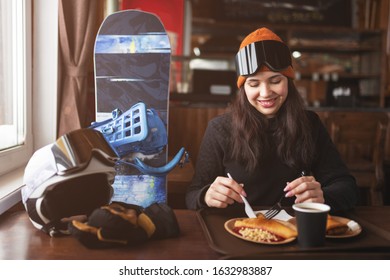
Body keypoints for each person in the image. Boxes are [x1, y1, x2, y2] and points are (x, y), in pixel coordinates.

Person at [185, 27, 359, 213]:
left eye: (275, 81)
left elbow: (346, 187)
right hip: (236, 230)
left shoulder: (310, 124)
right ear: (243, 89)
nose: (266, 93)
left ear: (289, 82)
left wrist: (324, 196)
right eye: (254, 83)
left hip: (294, 232)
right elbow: (192, 195)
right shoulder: (220, 129)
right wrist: (206, 195)